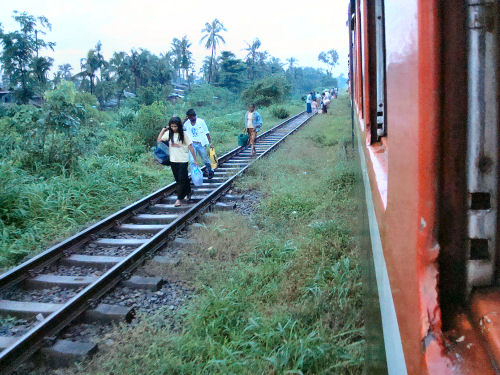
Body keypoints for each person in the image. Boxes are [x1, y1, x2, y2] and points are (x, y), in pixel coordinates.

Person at [157, 117, 198, 207]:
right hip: (173, 161)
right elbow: (159, 140)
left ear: (179, 126)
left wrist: (195, 159)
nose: (174, 128)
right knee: (180, 179)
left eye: (175, 126)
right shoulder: (169, 134)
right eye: (172, 126)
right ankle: (189, 192)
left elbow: (191, 147)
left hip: (183, 160)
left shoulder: (184, 134)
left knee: (181, 180)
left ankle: (179, 199)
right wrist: (163, 130)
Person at [183, 109, 214, 179]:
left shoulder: (201, 121)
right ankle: (196, 175)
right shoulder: (187, 122)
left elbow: (207, 132)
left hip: (201, 144)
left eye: (191, 117)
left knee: (205, 159)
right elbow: (180, 128)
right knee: (192, 161)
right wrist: (184, 120)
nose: (190, 119)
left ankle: (210, 170)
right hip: (192, 144)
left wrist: (210, 143)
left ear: (194, 116)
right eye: (188, 118)